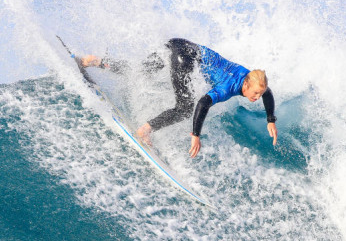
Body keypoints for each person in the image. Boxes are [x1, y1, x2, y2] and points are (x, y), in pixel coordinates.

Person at [79, 38, 277, 157]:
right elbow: (203, 103)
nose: (257, 97)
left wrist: (270, 120)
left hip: (177, 44)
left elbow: (267, 92)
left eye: (259, 94)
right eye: (255, 93)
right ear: (245, 84)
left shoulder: (250, 76)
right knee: (184, 108)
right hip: (185, 56)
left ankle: (95, 61)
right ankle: (144, 131)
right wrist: (195, 135)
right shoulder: (228, 86)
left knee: (139, 71)